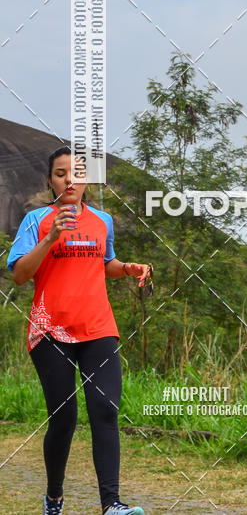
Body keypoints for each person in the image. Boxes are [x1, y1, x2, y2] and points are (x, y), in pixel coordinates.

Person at [7, 145, 152, 515]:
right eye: (60, 173)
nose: (70, 179)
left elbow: (104, 263)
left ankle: (111, 504)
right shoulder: (36, 220)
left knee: (105, 409)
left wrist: (129, 268)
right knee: (64, 418)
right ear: (51, 179)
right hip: (50, 331)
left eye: (77, 173)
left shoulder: (102, 220)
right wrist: (49, 238)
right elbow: (21, 274)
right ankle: (54, 495)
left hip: (98, 326)